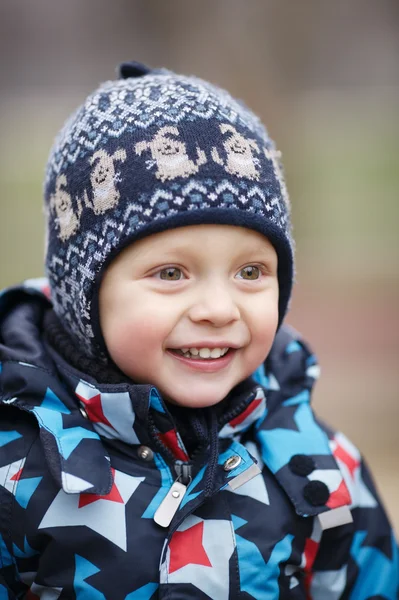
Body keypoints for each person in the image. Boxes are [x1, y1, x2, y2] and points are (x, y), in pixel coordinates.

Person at [0, 61, 397, 600]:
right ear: (83, 297)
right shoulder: (16, 468)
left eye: (250, 272)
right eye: (171, 273)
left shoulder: (319, 466)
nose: (218, 308)